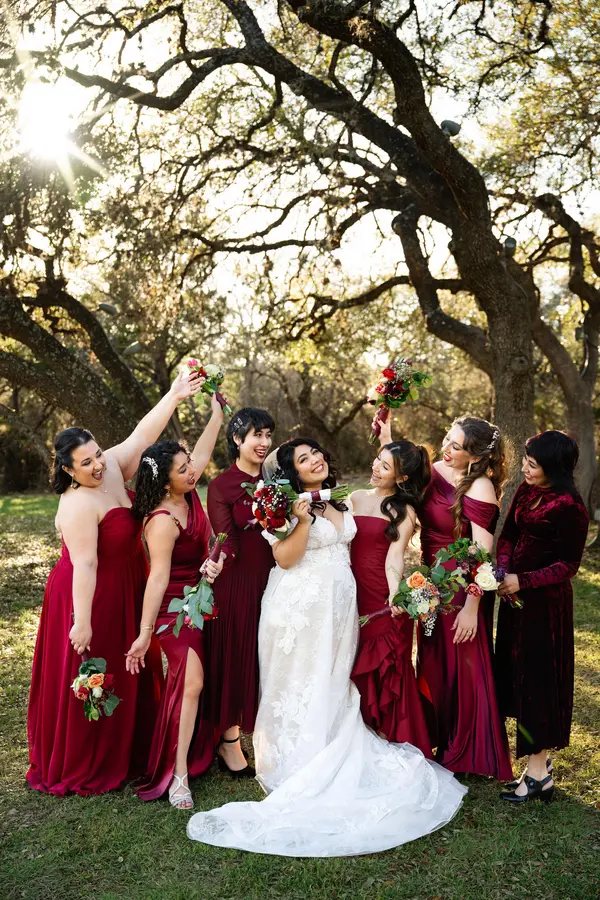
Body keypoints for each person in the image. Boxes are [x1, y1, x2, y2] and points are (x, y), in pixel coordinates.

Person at [187, 438, 466, 857]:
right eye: (303, 459)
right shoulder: (282, 506)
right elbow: (284, 559)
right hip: (297, 607)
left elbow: (379, 548)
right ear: (292, 472)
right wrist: (300, 521)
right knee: (295, 682)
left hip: (339, 607)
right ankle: (297, 760)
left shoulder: (341, 499)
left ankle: (330, 741)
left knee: (332, 679)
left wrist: (393, 589)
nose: (315, 459)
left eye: (316, 453)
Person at [26, 370, 204, 796]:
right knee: (99, 668)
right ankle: (92, 757)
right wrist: (82, 621)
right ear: (67, 470)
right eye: (85, 463)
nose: (97, 465)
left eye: (97, 454)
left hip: (127, 584)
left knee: (130, 666)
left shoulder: (109, 470)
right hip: (90, 593)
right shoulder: (77, 504)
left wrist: (174, 395)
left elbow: (142, 436)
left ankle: (129, 749)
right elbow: (85, 564)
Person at [125, 394, 225, 808]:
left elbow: (203, 450)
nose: (192, 470)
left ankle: (207, 746)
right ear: (166, 482)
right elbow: (158, 578)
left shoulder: (189, 493)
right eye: (183, 469)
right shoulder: (162, 522)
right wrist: (145, 633)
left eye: (189, 465)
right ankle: (177, 773)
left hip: (206, 598)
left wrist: (217, 413)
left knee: (205, 679)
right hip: (174, 609)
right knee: (192, 681)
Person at [417, 416, 513, 780]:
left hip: (462, 589)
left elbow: (483, 556)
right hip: (429, 582)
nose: (446, 448)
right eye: (447, 439)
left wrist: (472, 607)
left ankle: (465, 749)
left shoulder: (481, 487)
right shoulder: (436, 469)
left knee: (462, 664)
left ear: (474, 457)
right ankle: (436, 736)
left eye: (455, 446)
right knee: (432, 658)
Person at [495, 431, 589, 804]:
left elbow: (569, 565)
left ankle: (537, 775)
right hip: (515, 603)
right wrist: (504, 570)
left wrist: (524, 580)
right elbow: (508, 534)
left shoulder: (571, 507)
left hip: (546, 609)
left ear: (553, 467)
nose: (525, 468)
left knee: (538, 686)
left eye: (532, 464)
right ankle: (540, 767)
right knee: (517, 682)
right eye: (526, 460)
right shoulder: (526, 491)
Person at [350, 415, 432, 755]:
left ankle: (386, 735)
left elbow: (394, 557)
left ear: (401, 478)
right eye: (377, 460)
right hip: (347, 587)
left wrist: (395, 593)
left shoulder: (404, 511)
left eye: (385, 466)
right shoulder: (354, 497)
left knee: (383, 665)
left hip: (378, 593)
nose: (376, 467)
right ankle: (355, 733)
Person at [204, 407, 275, 776]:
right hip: (239, 582)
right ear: (237, 439)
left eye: (267, 435)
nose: (263, 442)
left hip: (279, 576)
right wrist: (219, 559)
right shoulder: (222, 486)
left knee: (271, 655)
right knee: (239, 654)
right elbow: (225, 538)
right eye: (256, 435)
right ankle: (229, 740)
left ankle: (271, 733)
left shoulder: (277, 477)